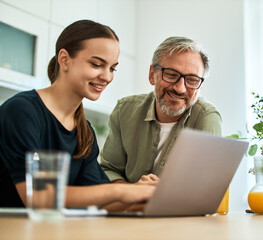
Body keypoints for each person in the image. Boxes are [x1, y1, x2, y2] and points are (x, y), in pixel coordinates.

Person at [0, 20, 154, 211]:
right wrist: (122, 192)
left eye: (112, 68)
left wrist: (146, 196)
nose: (107, 77)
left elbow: (99, 200)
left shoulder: (84, 130)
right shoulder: (22, 111)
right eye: (97, 64)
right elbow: (38, 196)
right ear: (64, 60)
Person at [100, 36, 222, 185]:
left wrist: (163, 193)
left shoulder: (207, 117)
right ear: (152, 74)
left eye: (192, 80)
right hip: (126, 208)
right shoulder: (124, 110)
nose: (180, 88)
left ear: (201, 86)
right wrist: (132, 193)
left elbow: (207, 186)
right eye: (171, 74)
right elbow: (109, 170)